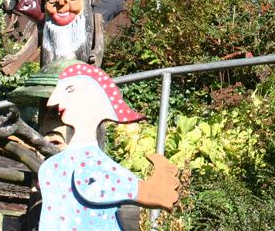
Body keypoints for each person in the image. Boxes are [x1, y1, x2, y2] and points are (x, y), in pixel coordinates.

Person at [39, 62, 180, 229]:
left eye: (69, 90)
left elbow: (154, 193)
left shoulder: (88, 164)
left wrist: (153, 189)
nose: (52, 101)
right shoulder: (65, 163)